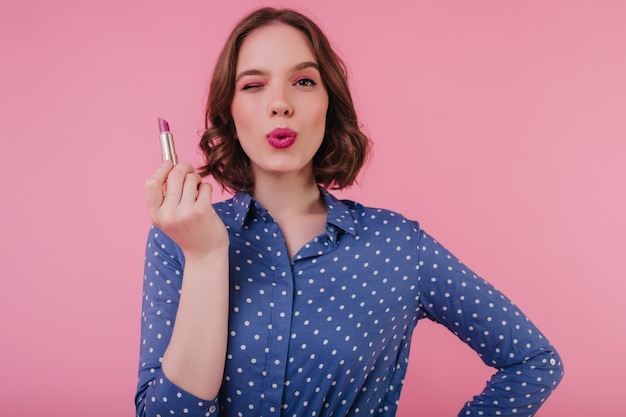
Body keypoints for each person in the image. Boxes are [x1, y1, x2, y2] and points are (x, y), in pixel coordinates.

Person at [136, 7, 563, 417]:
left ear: (329, 103)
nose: (280, 103)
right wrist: (207, 257)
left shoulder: (398, 247)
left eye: (303, 81)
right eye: (253, 85)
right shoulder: (180, 239)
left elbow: (534, 361)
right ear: (229, 111)